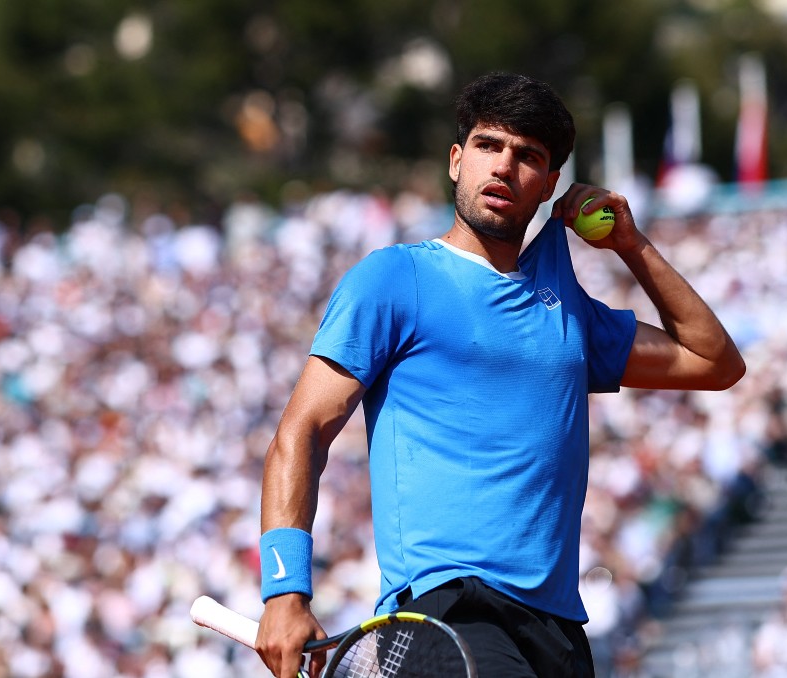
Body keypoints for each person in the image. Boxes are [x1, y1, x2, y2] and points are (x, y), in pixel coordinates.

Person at [253, 72, 746, 678]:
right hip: (449, 610)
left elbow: (714, 361)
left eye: (528, 156)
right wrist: (284, 591)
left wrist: (630, 244)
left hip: (558, 627)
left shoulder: (569, 315)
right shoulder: (392, 279)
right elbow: (300, 434)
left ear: (550, 185)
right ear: (457, 161)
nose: (505, 167)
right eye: (489, 146)